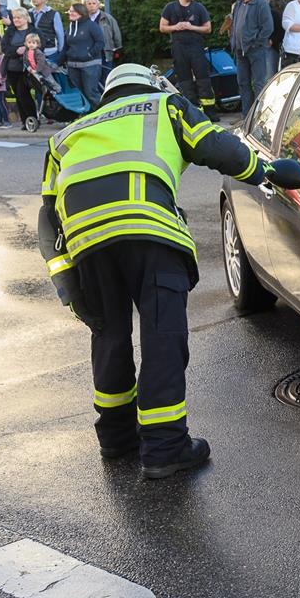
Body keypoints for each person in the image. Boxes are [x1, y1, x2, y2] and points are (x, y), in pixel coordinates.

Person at [37, 63, 281, 478]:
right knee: (162, 336)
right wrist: (270, 172)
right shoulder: (166, 106)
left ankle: (115, 438)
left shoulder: (65, 136)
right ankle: (165, 446)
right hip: (151, 234)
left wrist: (66, 283)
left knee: (109, 336)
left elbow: (47, 220)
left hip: (86, 246)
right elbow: (222, 151)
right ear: (149, 84)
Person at [160, 0, 216, 115]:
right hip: (179, 48)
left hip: (196, 47)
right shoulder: (170, 8)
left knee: (203, 78)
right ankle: (192, 112)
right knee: (185, 80)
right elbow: (162, 27)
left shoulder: (199, 8)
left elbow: (208, 28)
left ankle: (209, 112)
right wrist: (175, 27)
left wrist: (192, 27)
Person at [228, 0, 273, 116]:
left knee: (259, 84)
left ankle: (259, 117)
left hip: (256, 51)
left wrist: (256, 43)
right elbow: (235, 25)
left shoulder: (261, 5)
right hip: (240, 52)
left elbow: (268, 28)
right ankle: (246, 116)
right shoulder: (239, 4)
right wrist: (234, 42)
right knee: (243, 84)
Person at [62, 3, 105, 108]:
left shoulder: (91, 25)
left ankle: (101, 113)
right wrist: (56, 63)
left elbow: (100, 42)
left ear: (80, 12)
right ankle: (87, 114)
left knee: (91, 92)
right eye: (69, 11)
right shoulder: (70, 27)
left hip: (90, 65)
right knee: (80, 93)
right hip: (73, 66)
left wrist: (89, 54)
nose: (70, 13)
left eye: (73, 11)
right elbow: (66, 47)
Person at [2, 8, 40, 129]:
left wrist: (28, 50)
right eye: (14, 18)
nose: (16, 20)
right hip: (12, 67)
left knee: (23, 93)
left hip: (27, 68)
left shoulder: (33, 30)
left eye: (19, 17)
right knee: (18, 95)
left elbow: (40, 45)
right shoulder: (10, 31)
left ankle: (32, 118)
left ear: (25, 18)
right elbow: (4, 47)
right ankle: (25, 121)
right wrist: (16, 50)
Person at [85, 0, 122, 82]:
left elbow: (116, 33)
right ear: (86, 6)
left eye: (94, 3)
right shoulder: (83, 20)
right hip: (89, 53)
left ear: (98, 5)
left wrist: (117, 48)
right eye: (89, 3)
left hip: (105, 52)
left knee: (106, 77)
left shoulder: (108, 18)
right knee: (92, 78)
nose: (91, 5)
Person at [28, 0, 66, 64]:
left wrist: (60, 52)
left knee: (51, 75)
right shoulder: (29, 12)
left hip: (49, 52)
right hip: (32, 52)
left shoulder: (53, 13)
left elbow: (60, 34)